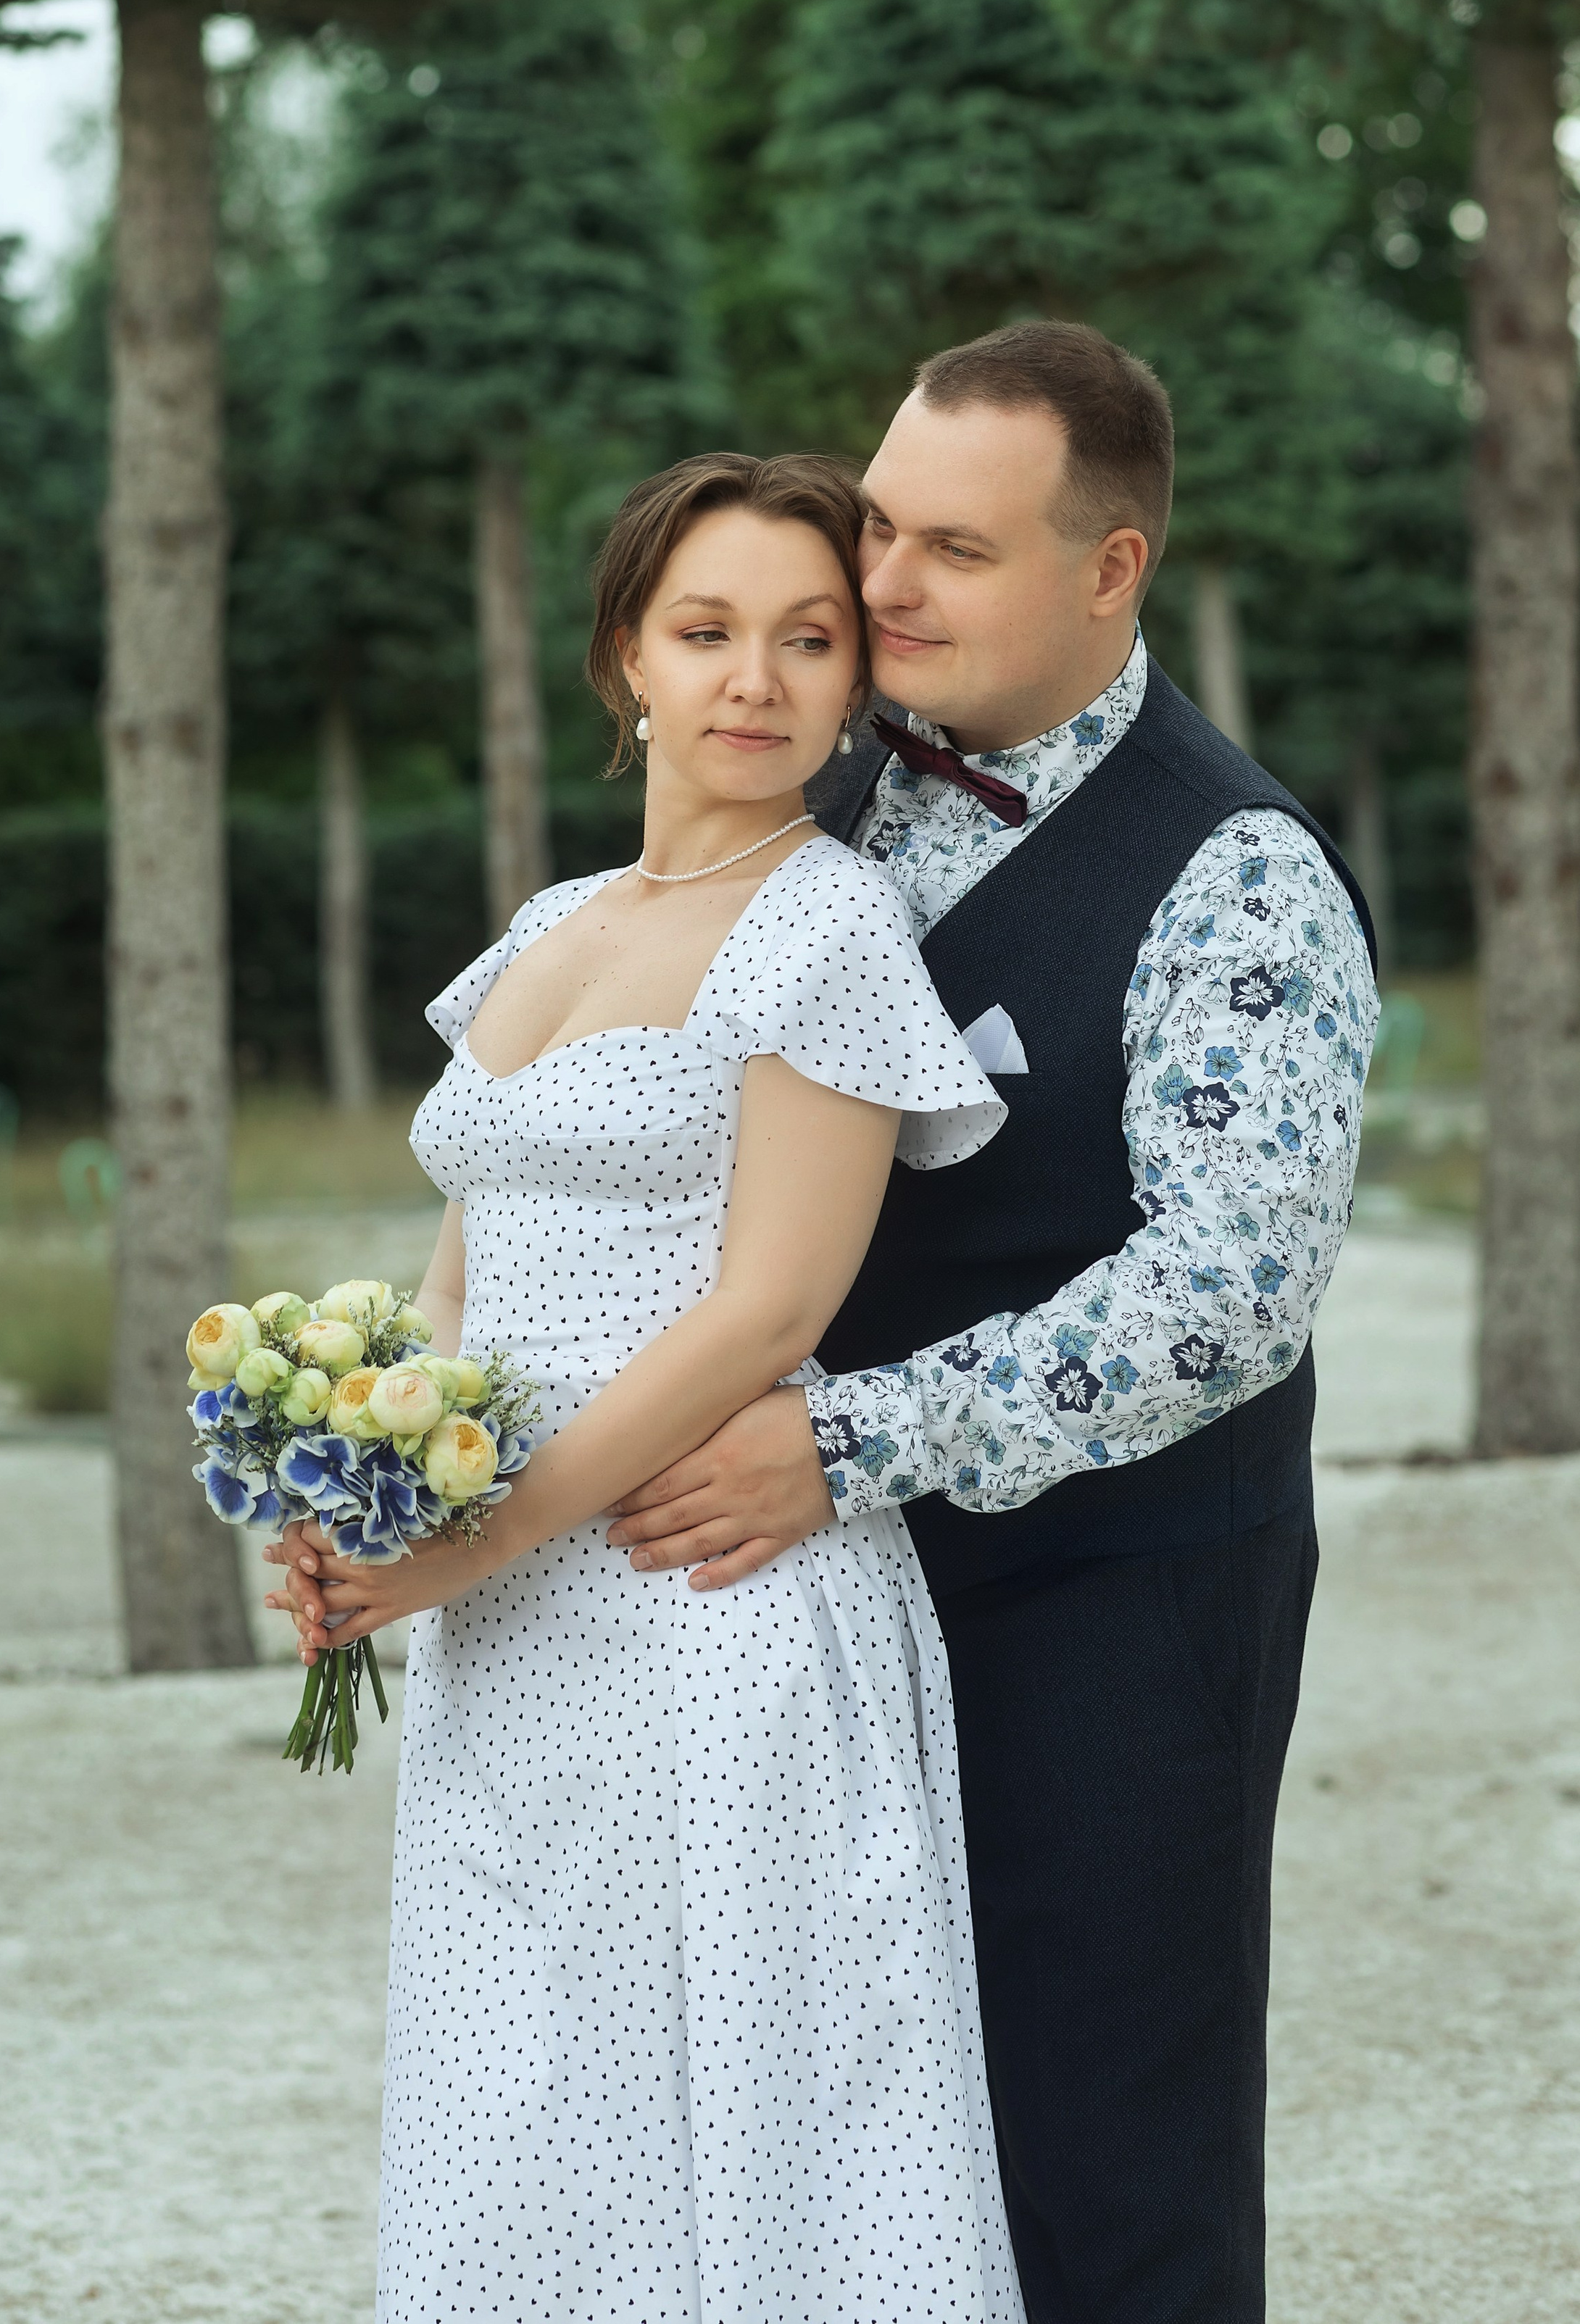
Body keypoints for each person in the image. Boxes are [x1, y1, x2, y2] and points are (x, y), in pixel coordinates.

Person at [601, 322, 1379, 2324]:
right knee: (843, 2134)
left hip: (1114, 1605)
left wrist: (847, 1439)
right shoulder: (817, 779)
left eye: (952, 545)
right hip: (806, 1597)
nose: (879, 584)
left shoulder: (1244, 871)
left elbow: (1230, 1293)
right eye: (875, 522)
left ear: (1109, 569)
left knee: (1104, 2150)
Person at [275, 452, 1025, 2323]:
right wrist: (370, 1502)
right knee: (526, 2118)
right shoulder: (548, 927)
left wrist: (480, 1539)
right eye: (706, 632)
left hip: (708, 1609)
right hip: (515, 1631)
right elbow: (465, 1263)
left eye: (807, 639)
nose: (754, 680)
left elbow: (764, 1309)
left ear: (858, 679)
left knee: (744, 2136)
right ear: (628, 656)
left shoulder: (828, 929)